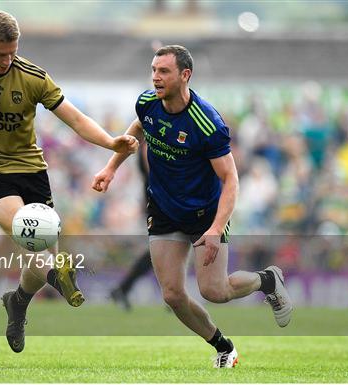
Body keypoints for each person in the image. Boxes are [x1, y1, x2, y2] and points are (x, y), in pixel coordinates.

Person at [0, 11, 138, 354]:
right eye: (0, 53)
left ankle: (18, 303)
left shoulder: (32, 76)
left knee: (39, 251)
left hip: (32, 171)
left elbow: (74, 118)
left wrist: (111, 142)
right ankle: (56, 278)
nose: (7, 60)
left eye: (12, 52)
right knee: (30, 232)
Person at [92, 45, 292, 368]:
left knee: (215, 290)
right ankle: (224, 347)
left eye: (164, 72)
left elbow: (231, 179)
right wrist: (111, 167)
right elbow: (137, 128)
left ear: (185, 75)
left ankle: (267, 280)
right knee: (172, 294)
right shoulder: (146, 103)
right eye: (154, 70)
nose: (156, 78)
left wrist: (215, 230)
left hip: (205, 214)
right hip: (164, 208)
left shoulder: (207, 123)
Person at [109, 141, 152, 311]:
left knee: (167, 247)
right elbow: (153, 170)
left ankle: (123, 289)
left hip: (160, 197)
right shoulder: (148, 142)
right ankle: (123, 288)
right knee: (165, 246)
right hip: (158, 199)